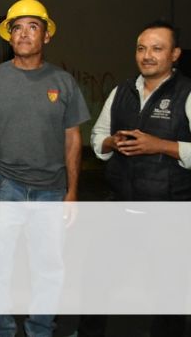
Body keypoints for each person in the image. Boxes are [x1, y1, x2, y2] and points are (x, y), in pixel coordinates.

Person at [0, 0, 89, 337]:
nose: (24, 34)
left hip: (51, 191)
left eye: (33, 27)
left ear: (46, 36)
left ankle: (40, 329)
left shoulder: (64, 82)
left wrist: (72, 193)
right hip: (4, 188)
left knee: (49, 269)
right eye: (17, 28)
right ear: (8, 36)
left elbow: (73, 139)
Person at [78, 20, 190, 337]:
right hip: (120, 207)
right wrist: (112, 142)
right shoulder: (121, 91)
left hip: (169, 213)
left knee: (169, 295)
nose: (147, 55)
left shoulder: (187, 93)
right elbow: (98, 138)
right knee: (95, 282)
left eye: (157, 48)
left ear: (175, 54)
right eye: (142, 48)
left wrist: (162, 146)